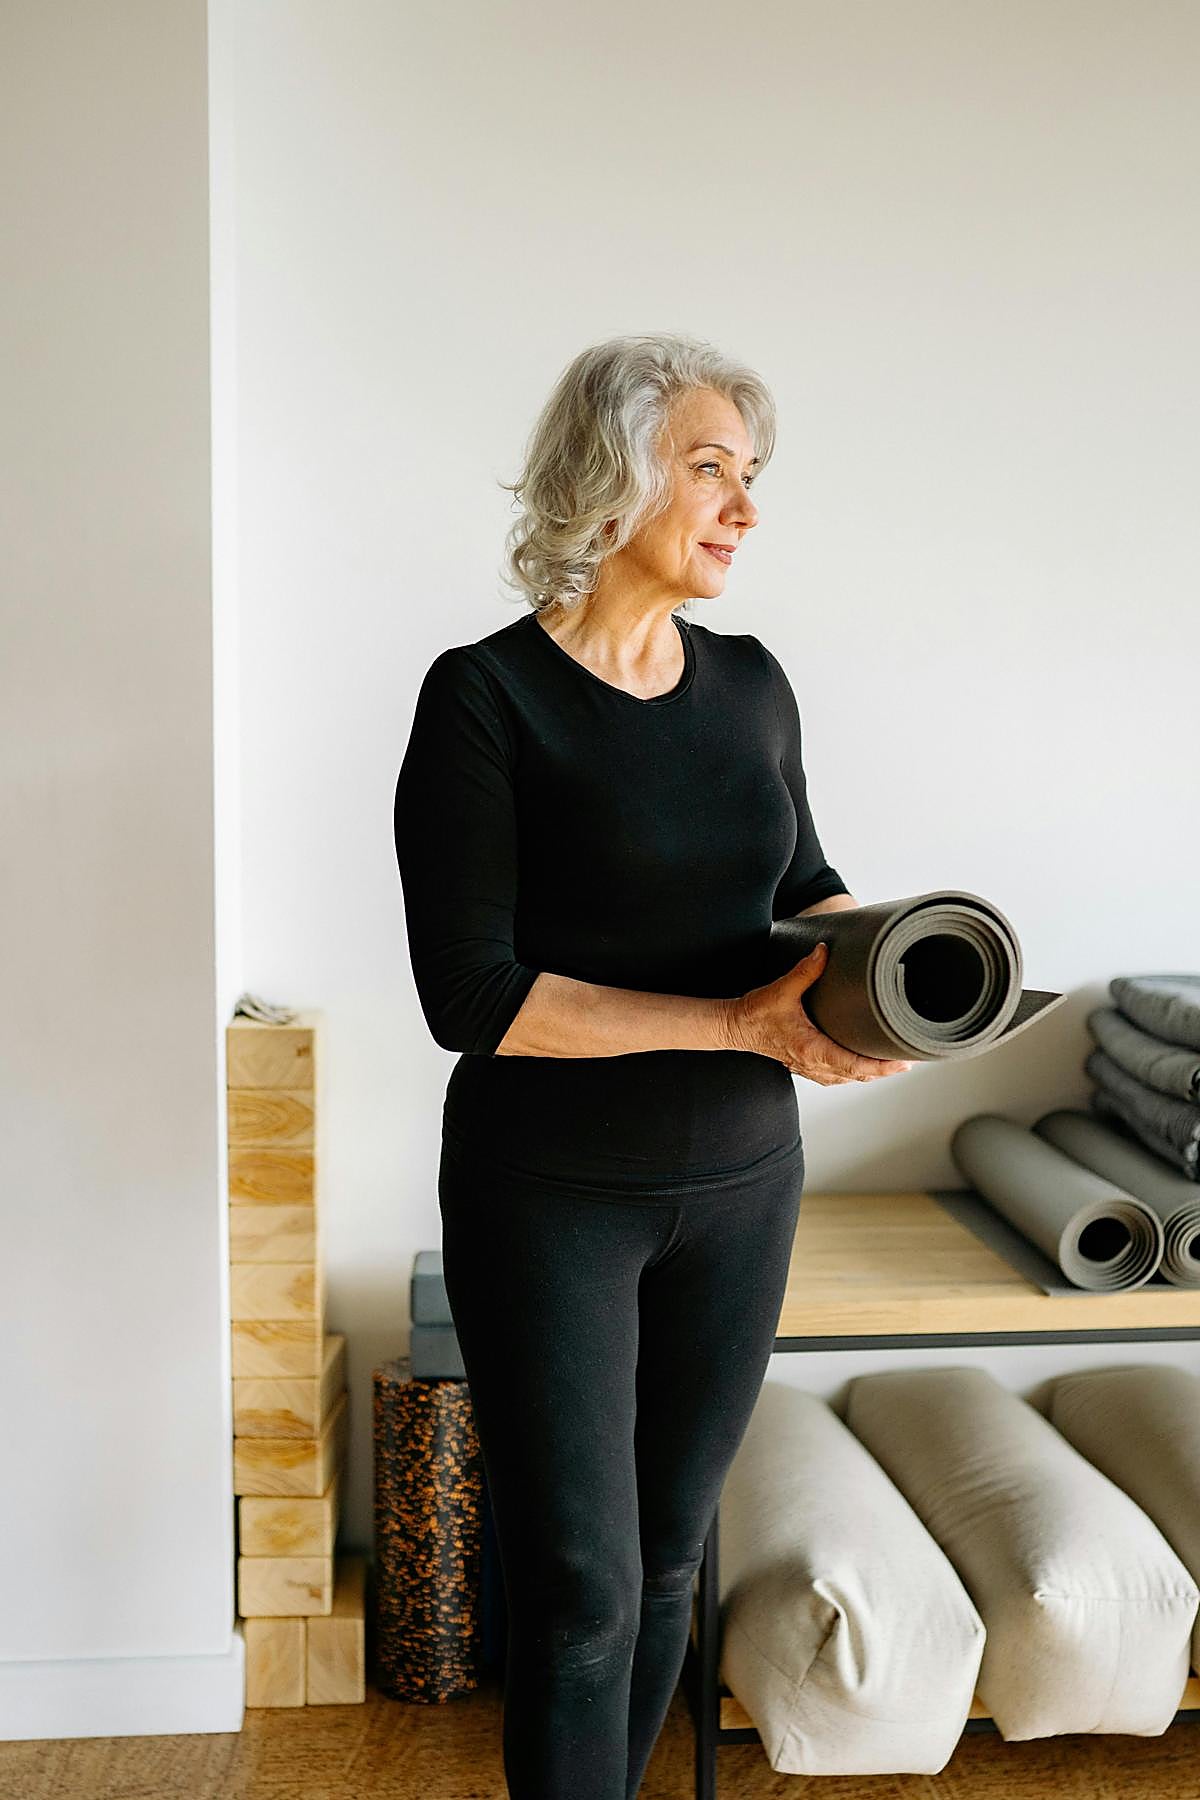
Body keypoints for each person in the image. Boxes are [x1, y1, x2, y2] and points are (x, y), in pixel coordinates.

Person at [392, 332, 911, 1799]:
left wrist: (886, 979)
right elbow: (474, 996)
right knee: (582, 1596)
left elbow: (799, 884)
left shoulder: (750, 685)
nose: (743, 508)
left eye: (752, 478)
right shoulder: (485, 699)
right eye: (709, 470)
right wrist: (743, 1025)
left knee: (675, 1564)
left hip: (742, 1185)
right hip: (552, 1193)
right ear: (614, 482)